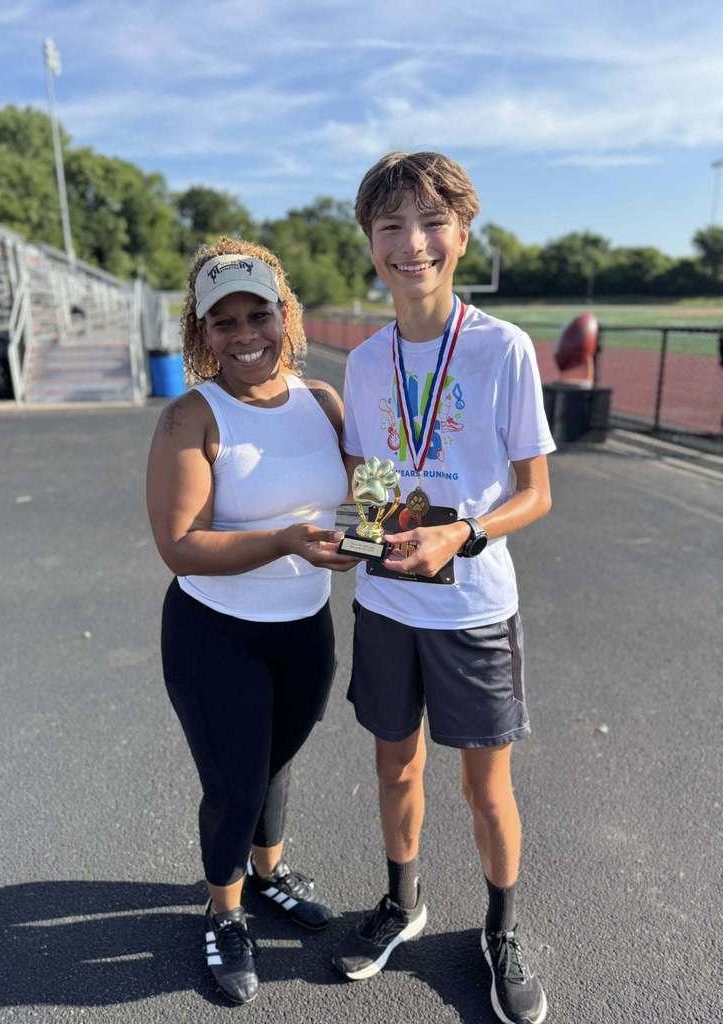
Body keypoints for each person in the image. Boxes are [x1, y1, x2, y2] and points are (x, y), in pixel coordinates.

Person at [333, 152, 555, 1024]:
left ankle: (501, 928)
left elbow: (537, 492)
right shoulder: (362, 360)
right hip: (388, 605)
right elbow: (374, 480)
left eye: (430, 224)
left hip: (471, 608)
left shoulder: (503, 349)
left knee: (485, 788)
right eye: (391, 227)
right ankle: (403, 901)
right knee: (395, 765)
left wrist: (462, 532)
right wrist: (359, 537)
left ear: (461, 236)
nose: (411, 243)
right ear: (371, 244)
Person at [146, 237, 356, 1005]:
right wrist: (283, 541)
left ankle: (270, 873)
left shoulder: (324, 402)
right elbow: (181, 546)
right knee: (234, 782)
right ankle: (225, 910)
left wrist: (378, 533)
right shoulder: (190, 418)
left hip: (305, 625)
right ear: (199, 334)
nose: (245, 335)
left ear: (285, 315)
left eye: (258, 314)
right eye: (223, 322)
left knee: (276, 763)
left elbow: (364, 500)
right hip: (216, 633)